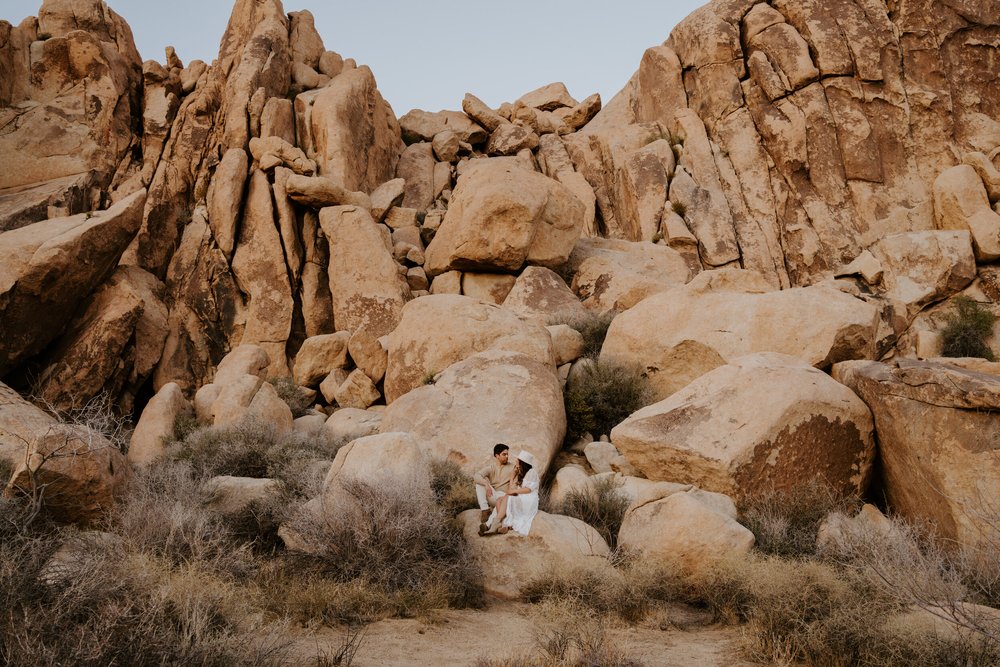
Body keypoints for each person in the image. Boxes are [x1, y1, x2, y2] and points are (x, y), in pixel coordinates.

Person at [480, 450, 539, 536]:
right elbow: (511, 488)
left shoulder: (531, 472)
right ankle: (503, 525)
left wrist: (514, 491)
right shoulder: (521, 473)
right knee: (499, 500)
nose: (515, 461)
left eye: (517, 460)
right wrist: (512, 477)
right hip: (522, 495)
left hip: (529, 498)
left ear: (522, 462)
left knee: (507, 496)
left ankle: (496, 523)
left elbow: (529, 489)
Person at [473, 443, 514, 523]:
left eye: (507, 454)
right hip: (493, 495)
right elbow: (476, 476)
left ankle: (490, 524)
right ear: (497, 455)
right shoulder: (491, 468)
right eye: (504, 454)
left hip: (504, 498)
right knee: (479, 483)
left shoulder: (512, 467)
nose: (507, 456)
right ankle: (485, 510)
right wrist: (486, 483)